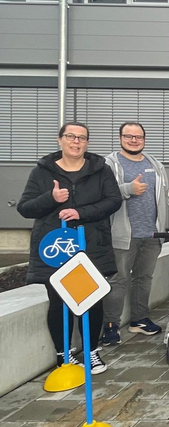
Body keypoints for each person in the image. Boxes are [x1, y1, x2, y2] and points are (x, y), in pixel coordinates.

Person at [18, 122, 122, 374]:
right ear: (60, 139)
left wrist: (79, 212)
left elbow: (113, 200)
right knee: (58, 302)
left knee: (92, 300)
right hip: (56, 248)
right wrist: (50, 199)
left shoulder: (100, 170)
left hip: (91, 246)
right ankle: (63, 355)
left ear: (87, 142)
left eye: (82, 138)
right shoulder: (42, 172)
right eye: (71, 137)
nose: (76, 142)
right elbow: (25, 207)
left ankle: (91, 352)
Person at [102, 122, 169, 345]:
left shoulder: (155, 164)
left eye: (138, 137)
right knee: (118, 280)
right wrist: (128, 189)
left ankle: (139, 319)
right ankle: (111, 325)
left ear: (144, 139)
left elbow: (166, 200)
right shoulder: (109, 164)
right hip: (123, 235)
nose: (134, 140)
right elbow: (104, 195)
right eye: (129, 136)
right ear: (120, 138)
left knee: (144, 278)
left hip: (152, 234)